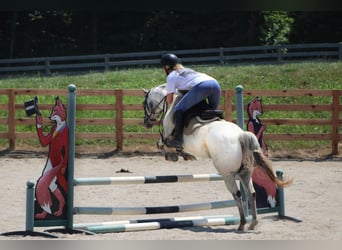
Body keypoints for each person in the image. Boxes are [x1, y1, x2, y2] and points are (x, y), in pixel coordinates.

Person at [161, 53, 222, 149]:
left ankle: (177, 140)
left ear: (166, 67)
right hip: (215, 84)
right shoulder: (187, 70)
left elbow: (169, 100)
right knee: (211, 113)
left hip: (202, 86)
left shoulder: (171, 76)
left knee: (178, 109)